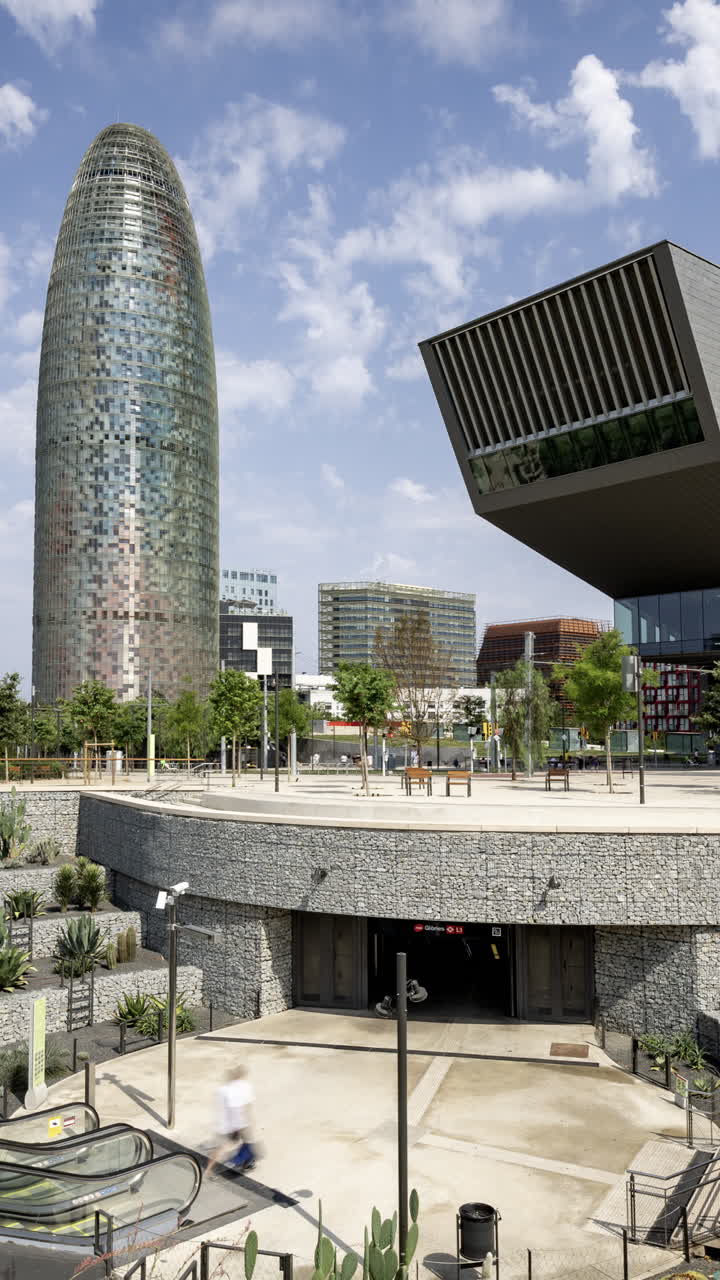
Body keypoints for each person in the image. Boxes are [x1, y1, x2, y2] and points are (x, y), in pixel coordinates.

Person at [207, 1064, 257, 1176]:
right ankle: (210, 1168)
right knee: (228, 1146)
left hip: (226, 1124)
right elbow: (243, 1108)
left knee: (242, 1144)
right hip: (235, 1125)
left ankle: (245, 1161)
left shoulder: (223, 1089)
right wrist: (247, 1122)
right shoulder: (242, 1088)